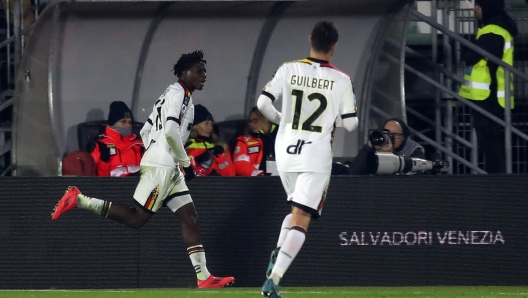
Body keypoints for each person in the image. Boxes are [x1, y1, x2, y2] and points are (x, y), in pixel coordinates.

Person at [51, 50, 235, 288]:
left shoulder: (172, 95)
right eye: (199, 71)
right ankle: (79, 200)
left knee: (190, 216)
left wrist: (157, 151)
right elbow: (169, 131)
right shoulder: (179, 94)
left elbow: (147, 131)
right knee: (136, 219)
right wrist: (183, 162)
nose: (204, 75)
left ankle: (204, 277)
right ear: (185, 72)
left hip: (165, 165)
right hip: (163, 167)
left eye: (205, 71)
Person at [256, 21, 358, 298]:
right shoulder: (342, 80)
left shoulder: (288, 68)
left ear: (310, 39)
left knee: (294, 210)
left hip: (285, 151)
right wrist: (336, 116)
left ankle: (278, 253)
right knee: (302, 217)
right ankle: (274, 279)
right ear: (334, 47)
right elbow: (350, 124)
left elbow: (263, 104)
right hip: (315, 154)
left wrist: (283, 120)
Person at [458, 0, 518, 173]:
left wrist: (467, 49)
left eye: (478, 5)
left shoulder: (493, 31)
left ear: (487, 7)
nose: (474, 9)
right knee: (490, 142)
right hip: (490, 94)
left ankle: (496, 180)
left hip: (488, 95)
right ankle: (496, 178)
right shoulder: (495, 29)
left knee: (490, 143)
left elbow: (470, 56)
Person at [349, 118, 425, 175]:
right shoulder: (378, 145)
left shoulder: (414, 150)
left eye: (395, 135)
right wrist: (367, 148)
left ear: (404, 137)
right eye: (387, 134)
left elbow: (416, 178)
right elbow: (353, 173)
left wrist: (391, 154)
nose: (390, 138)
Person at [90, 101, 144, 177]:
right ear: (113, 123)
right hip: (113, 186)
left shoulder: (139, 144)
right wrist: (104, 162)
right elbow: (93, 176)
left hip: (138, 184)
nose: (128, 125)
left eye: (130, 122)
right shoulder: (100, 144)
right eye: (123, 122)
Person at [184, 104, 236, 177]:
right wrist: (196, 160)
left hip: (217, 186)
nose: (210, 127)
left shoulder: (221, 147)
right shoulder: (185, 146)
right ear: (195, 125)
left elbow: (231, 175)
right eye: (206, 123)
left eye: (211, 124)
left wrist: (221, 157)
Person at [233, 107, 278, 176]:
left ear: (265, 119)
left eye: (255, 121)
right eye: (250, 121)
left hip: (282, 179)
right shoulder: (245, 140)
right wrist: (257, 174)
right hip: (257, 181)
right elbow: (240, 163)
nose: (251, 124)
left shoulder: (281, 136)